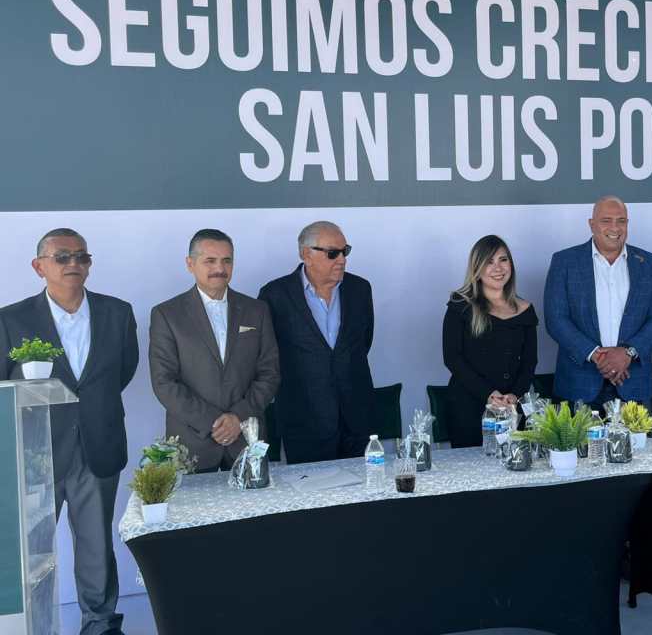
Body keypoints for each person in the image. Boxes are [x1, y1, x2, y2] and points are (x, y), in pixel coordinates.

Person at [0, 228, 138, 635]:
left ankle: (101, 624)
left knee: (96, 545)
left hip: (98, 445)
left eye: (82, 256)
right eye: (62, 257)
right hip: (35, 453)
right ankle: (34, 627)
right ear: (38, 266)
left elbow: (122, 371)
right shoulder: (11, 319)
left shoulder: (117, 313)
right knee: (32, 555)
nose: (73, 264)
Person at [150, 229, 280, 473]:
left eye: (226, 260)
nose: (219, 268)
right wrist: (214, 422)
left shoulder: (257, 310)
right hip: (192, 443)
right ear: (190, 264)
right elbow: (164, 382)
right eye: (210, 260)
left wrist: (237, 418)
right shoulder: (167, 314)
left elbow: (269, 373)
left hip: (247, 439)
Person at [258, 221, 374, 463]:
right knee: (311, 487)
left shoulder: (360, 289)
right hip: (303, 421)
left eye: (345, 251)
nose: (341, 260)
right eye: (332, 253)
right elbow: (268, 355)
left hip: (356, 418)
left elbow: (363, 343)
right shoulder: (275, 295)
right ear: (306, 255)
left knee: (363, 486)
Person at [544, 196, 652, 408]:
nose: (615, 227)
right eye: (606, 220)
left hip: (634, 383)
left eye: (621, 221)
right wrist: (596, 355)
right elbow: (556, 319)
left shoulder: (649, 263)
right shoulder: (564, 261)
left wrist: (628, 353)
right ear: (591, 224)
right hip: (578, 384)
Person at [442, 235, 538, 448]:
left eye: (503, 260)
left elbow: (530, 362)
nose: (498, 268)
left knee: (515, 463)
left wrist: (514, 395)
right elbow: (452, 358)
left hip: (512, 407)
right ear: (477, 268)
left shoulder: (525, 309)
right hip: (468, 406)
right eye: (489, 262)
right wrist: (489, 395)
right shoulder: (460, 305)